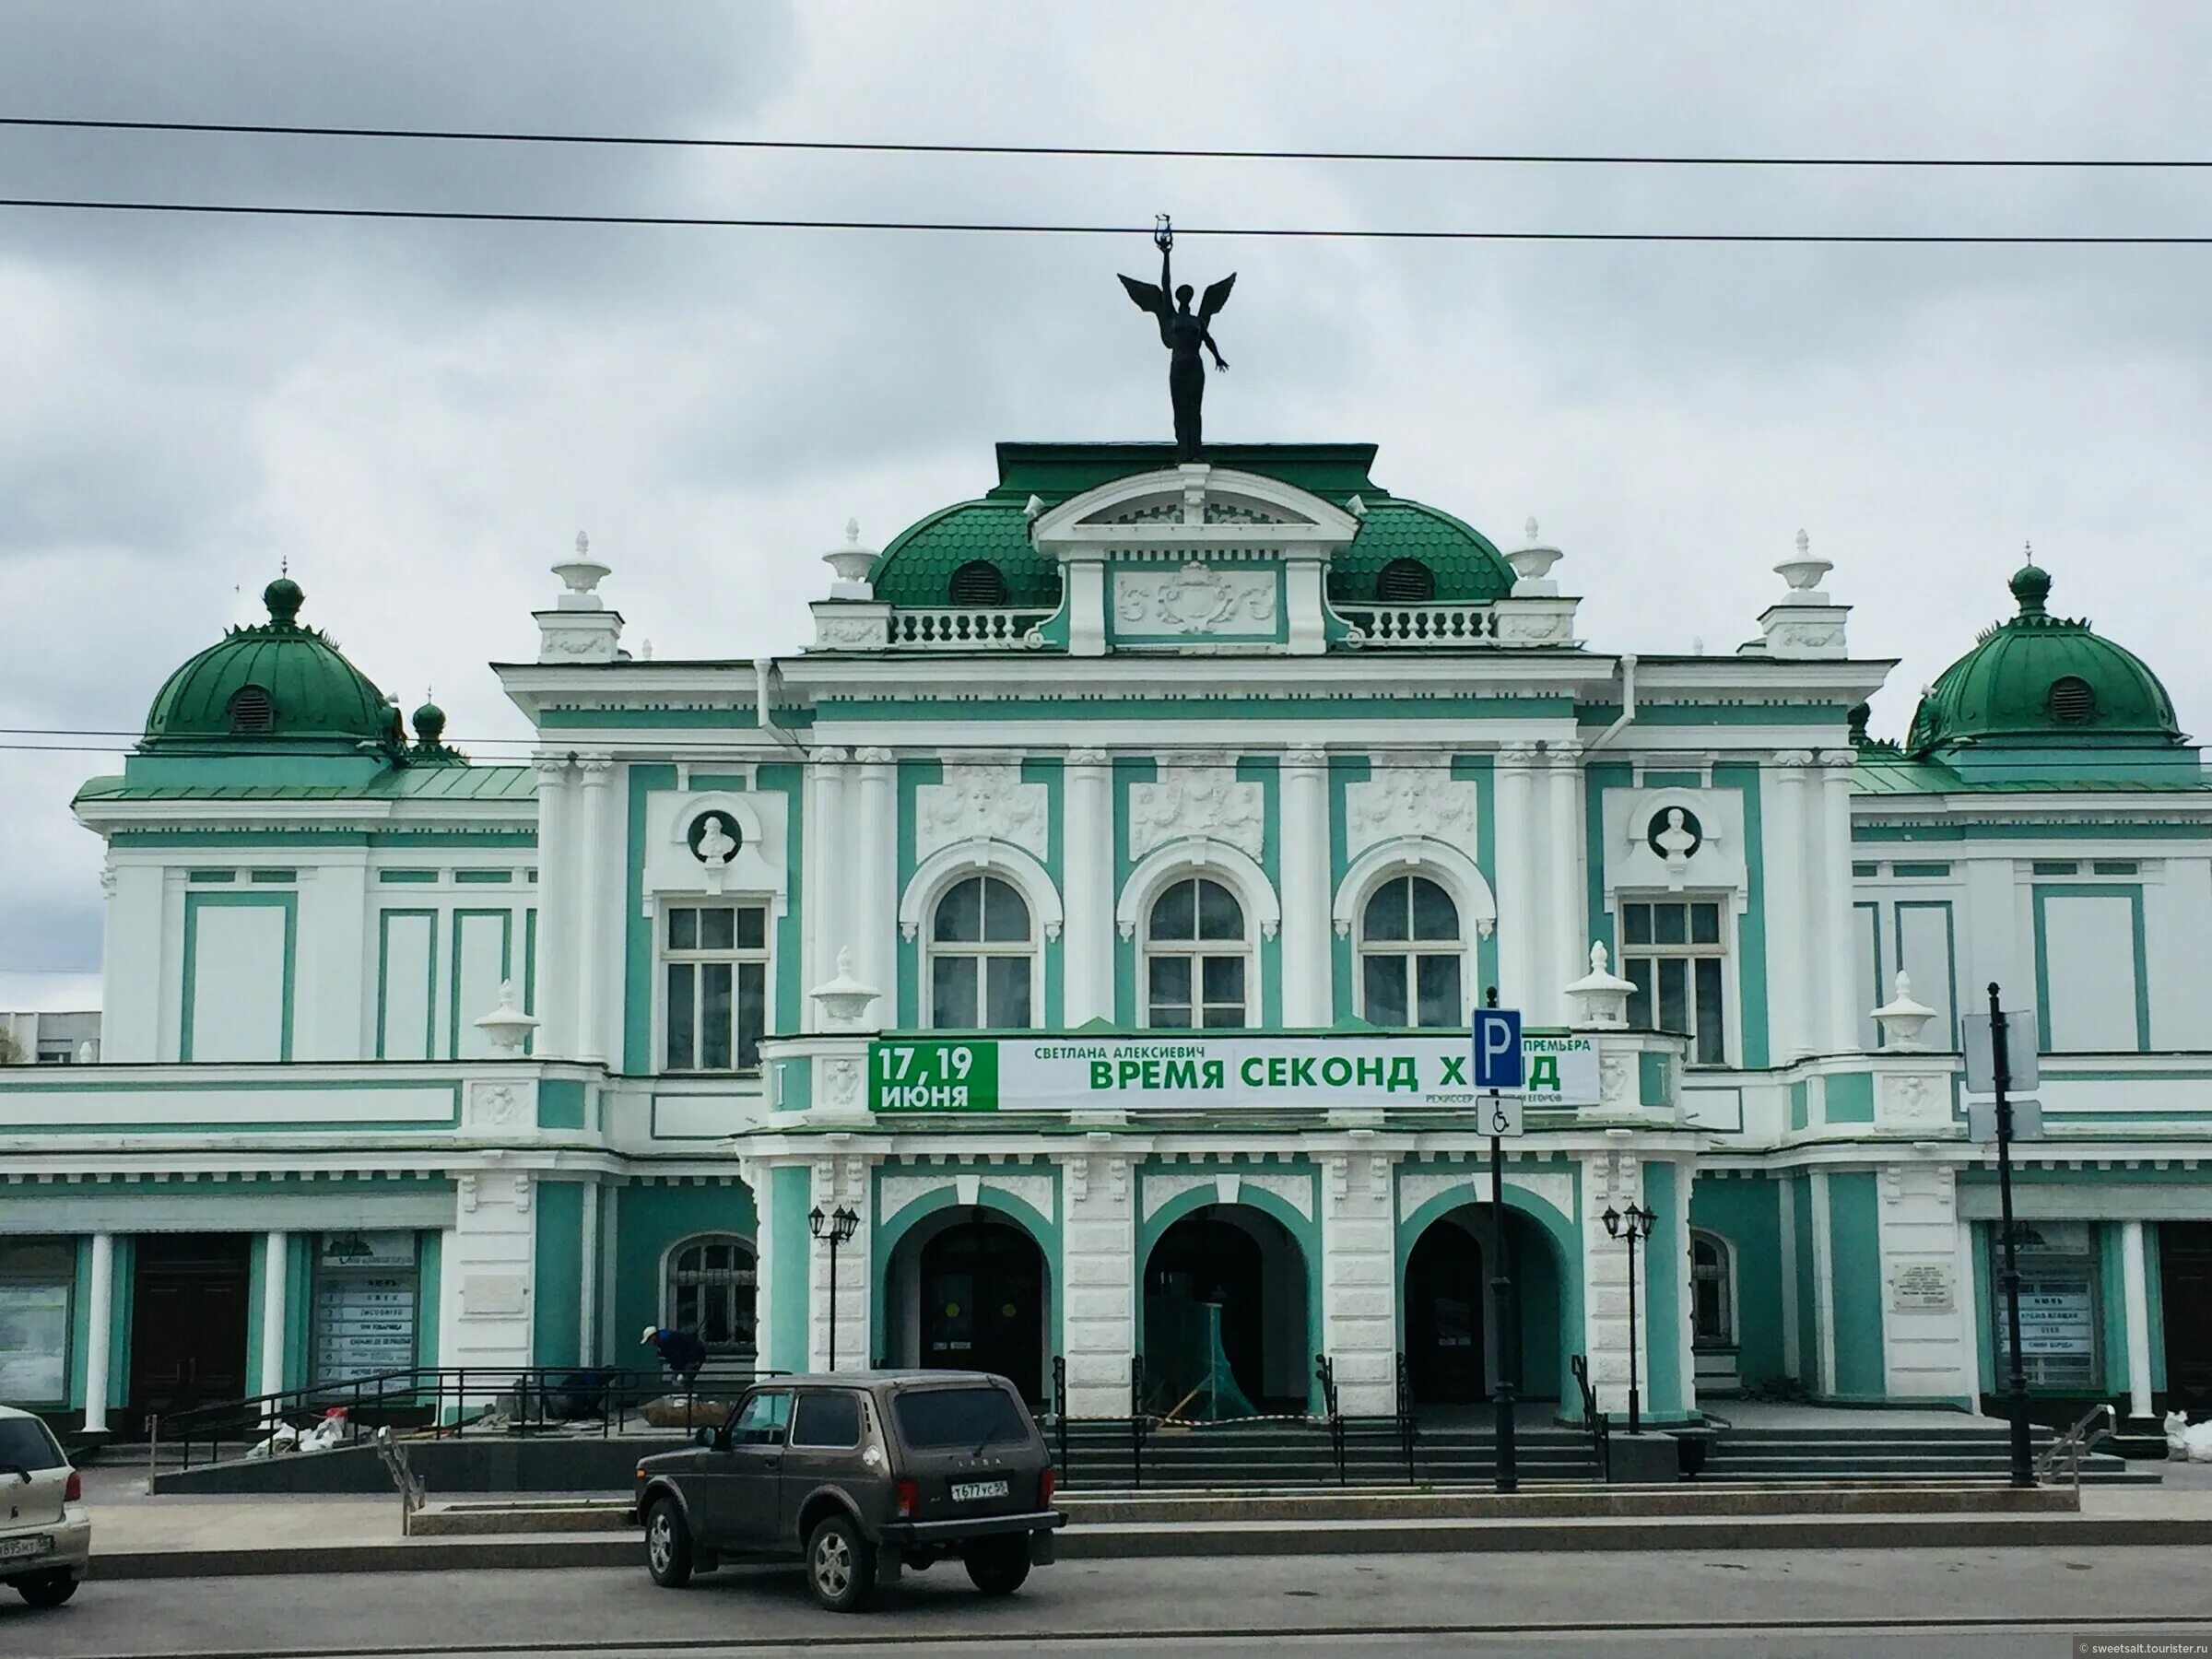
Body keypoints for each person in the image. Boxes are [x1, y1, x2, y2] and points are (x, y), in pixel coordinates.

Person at [641, 1324, 708, 1390]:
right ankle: (688, 1395)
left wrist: (678, 1371)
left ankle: (687, 1396)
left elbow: (676, 1357)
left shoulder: (665, 1342)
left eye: (648, 1340)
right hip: (693, 1355)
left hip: (694, 1356)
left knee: (684, 1378)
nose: (649, 1343)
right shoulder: (665, 1337)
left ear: (653, 1336)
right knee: (685, 1378)